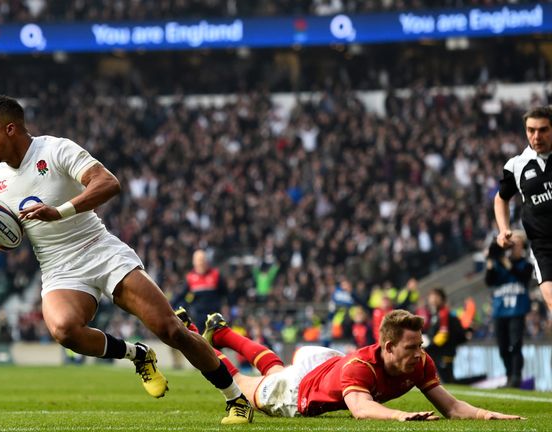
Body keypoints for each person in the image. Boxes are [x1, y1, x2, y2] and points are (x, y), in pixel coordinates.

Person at [0, 95, 253, 424]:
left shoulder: (55, 150)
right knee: (64, 331)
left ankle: (236, 400)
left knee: (172, 330)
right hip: (58, 267)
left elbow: (108, 183)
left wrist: (59, 212)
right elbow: (11, 235)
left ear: (10, 129)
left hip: (98, 249)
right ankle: (138, 354)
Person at [176, 308, 524, 421]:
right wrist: (402, 416)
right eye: (411, 346)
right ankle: (194, 332)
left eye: (420, 345)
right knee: (244, 383)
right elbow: (360, 408)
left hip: (327, 364)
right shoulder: (363, 366)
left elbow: (451, 407)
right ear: (388, 346)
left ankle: (221, 333)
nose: (419, 353)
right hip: (300, 390)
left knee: (276, 367)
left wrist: (485, 415)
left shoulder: (418, 362)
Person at [494, 106, 552, 314]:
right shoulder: (516, 165)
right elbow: (501, 199)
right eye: (531, 130)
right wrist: (503, 229)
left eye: (543, 130)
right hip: (543, 247)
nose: (536, 136)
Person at [485, 237, 532, 388]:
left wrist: (505, 261)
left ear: (522, 248)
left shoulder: (526, 265)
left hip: (517, 311)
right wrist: (492, 260)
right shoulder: (497, 265)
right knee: (503, 347)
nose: (511, 248)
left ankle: (516, 377)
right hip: (499, 312)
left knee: (516, 345)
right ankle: (509, 375)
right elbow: (489, 281)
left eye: (515, 245)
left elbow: (522, 276)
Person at [172, 249, 227, 332]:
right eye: (198, 261)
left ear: (207, 261)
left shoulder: (215, 275)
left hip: (214, 315)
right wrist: (170, 305)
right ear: (194, 263)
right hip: (198, 316)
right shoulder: (191, 278)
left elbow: (225, 292)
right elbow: (181, 295)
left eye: (202, 260)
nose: (201, 263)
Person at [425, 288, 466, 384]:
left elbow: (443, 335)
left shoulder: (443, 314)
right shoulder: (436, 314)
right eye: (431, 297)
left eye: (436, 297)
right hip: (439, 352)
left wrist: (429, 346)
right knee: (442, 381)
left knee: (447, 381)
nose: (433, 300)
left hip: (444, 353)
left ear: (442, 299)